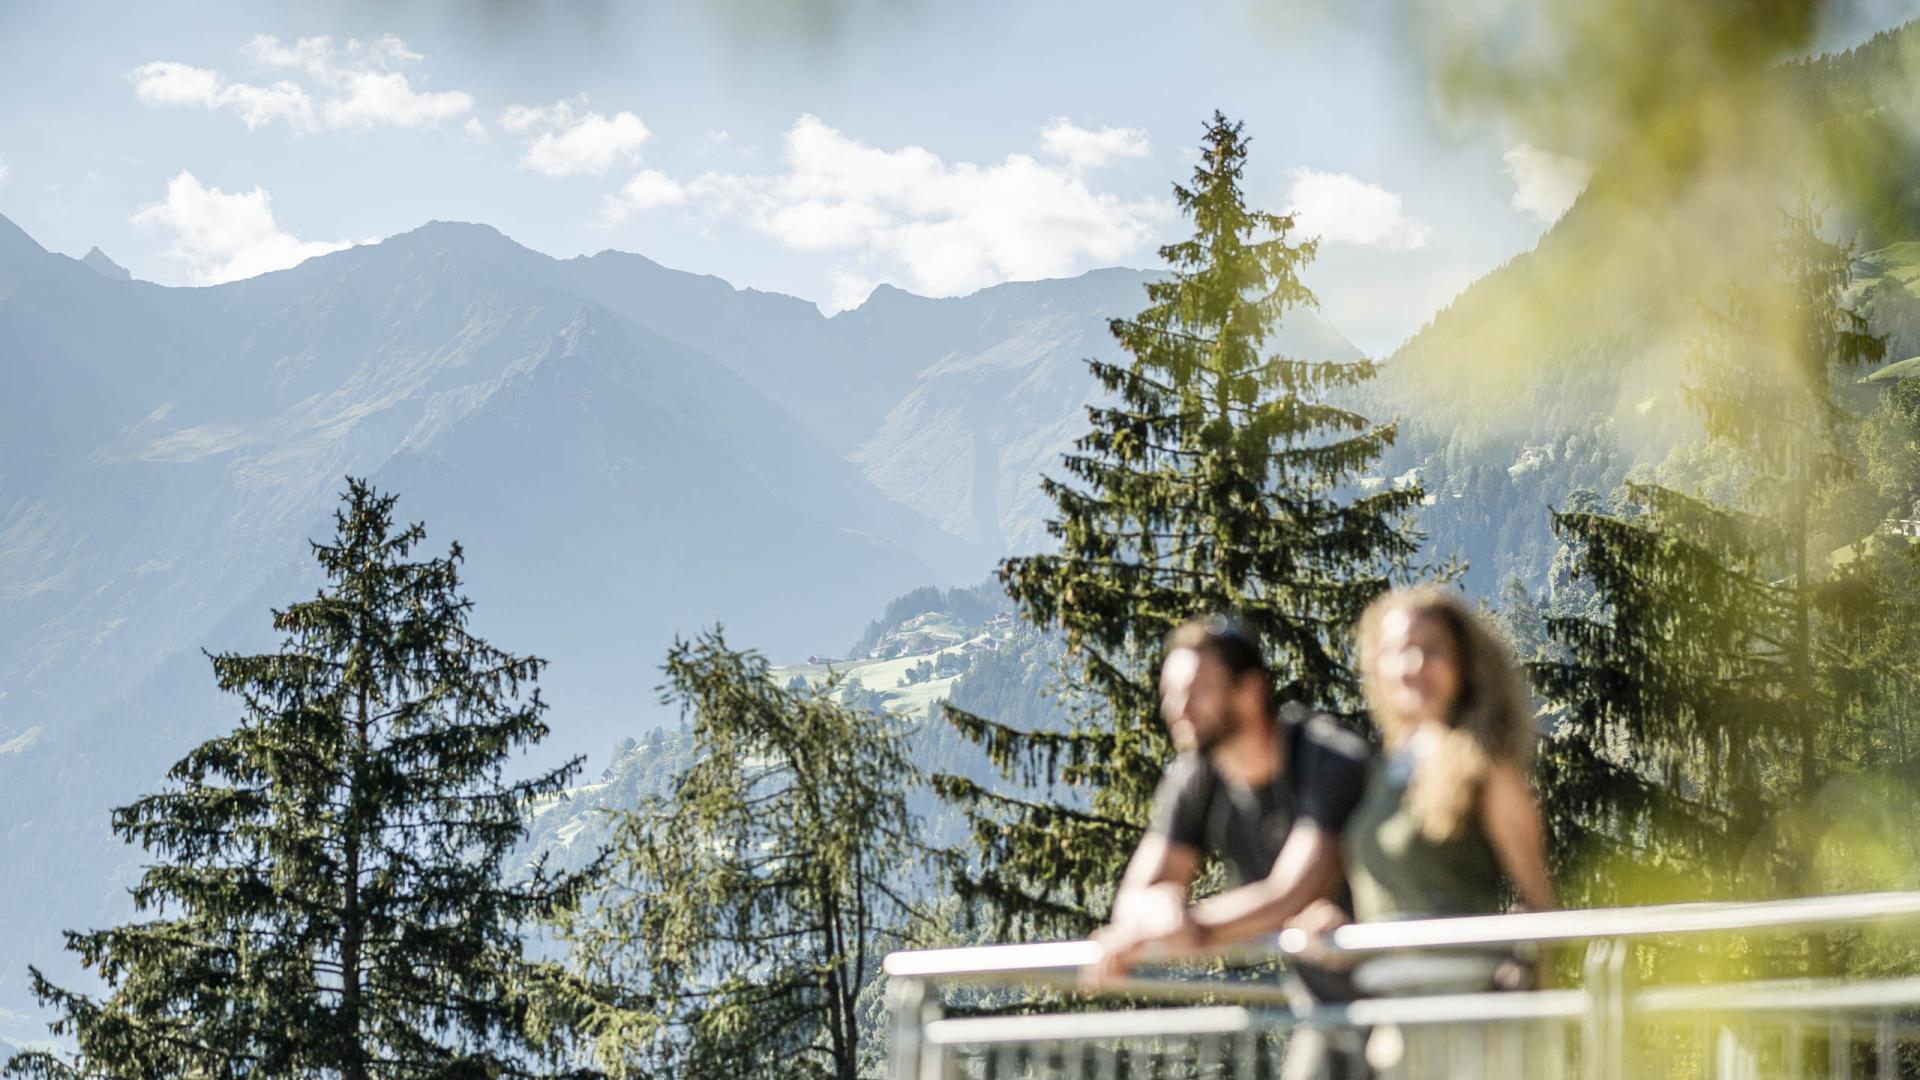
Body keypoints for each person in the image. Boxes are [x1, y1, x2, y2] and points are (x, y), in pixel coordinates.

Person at [1086, 615, 1372, 1078]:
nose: (1177, 708)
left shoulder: (1327, 757)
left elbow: (1291, 893)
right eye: (1169, 692)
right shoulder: (1196, 777)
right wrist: (1160, 907)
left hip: (1410, 997)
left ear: (1250, 691)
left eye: (1195, 690)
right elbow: (1135, 897)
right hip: (1326, 1010)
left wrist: (1184, 923)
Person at [1288, 585, 1554, 1000]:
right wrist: (1335, 923)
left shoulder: (1485, 767)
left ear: (1462, 663)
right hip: (1390, 1008)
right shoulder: (1384, 770)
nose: (1415, 664)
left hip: (1467, 1006)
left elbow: (1539, 900)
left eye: (1433, 649)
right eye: (1399, 650)